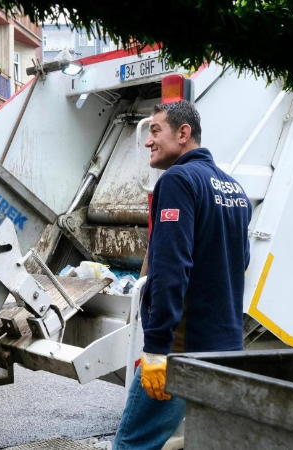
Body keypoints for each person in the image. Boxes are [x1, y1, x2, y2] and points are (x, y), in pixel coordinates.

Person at [113, 100, 252, 450]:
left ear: (184, 133)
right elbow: (241, 262)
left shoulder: (178, 181)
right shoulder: (236, 191)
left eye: (156, 130)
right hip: (226, 350)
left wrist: (157, 349)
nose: (148, 141)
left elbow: (170, 271)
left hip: (181, 351)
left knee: (134, 445)